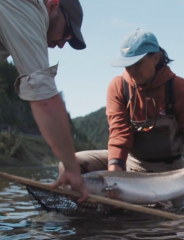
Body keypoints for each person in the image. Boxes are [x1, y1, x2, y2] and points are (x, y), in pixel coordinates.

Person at [61, 29, 184, 207]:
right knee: (71, 164)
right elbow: (118, 136)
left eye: (136, 63)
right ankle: (90, 213)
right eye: (127, 64)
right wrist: (114, 179)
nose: (131, 70)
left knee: (159, 225)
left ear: (155, 58)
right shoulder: (118, 87)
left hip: (169, 172)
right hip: (130, 163)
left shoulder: (177, 87)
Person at [0, 0, 88, 201]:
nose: (60, 45)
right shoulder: (30, 8)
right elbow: (44, 101)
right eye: (66, 33)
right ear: (53, 5)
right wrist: (73, 169)